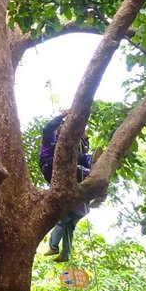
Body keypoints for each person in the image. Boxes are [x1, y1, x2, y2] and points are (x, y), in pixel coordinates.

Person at [39, 110, 98, 263]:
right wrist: (61, 117)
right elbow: (47, 129)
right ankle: (56, 248)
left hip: (75, 195)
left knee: (67, 225)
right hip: (50, 167)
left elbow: (80, 148)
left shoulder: (68, 145)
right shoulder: (51, 139)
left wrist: (83, 137)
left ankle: (63, 252)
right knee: (65, 222)